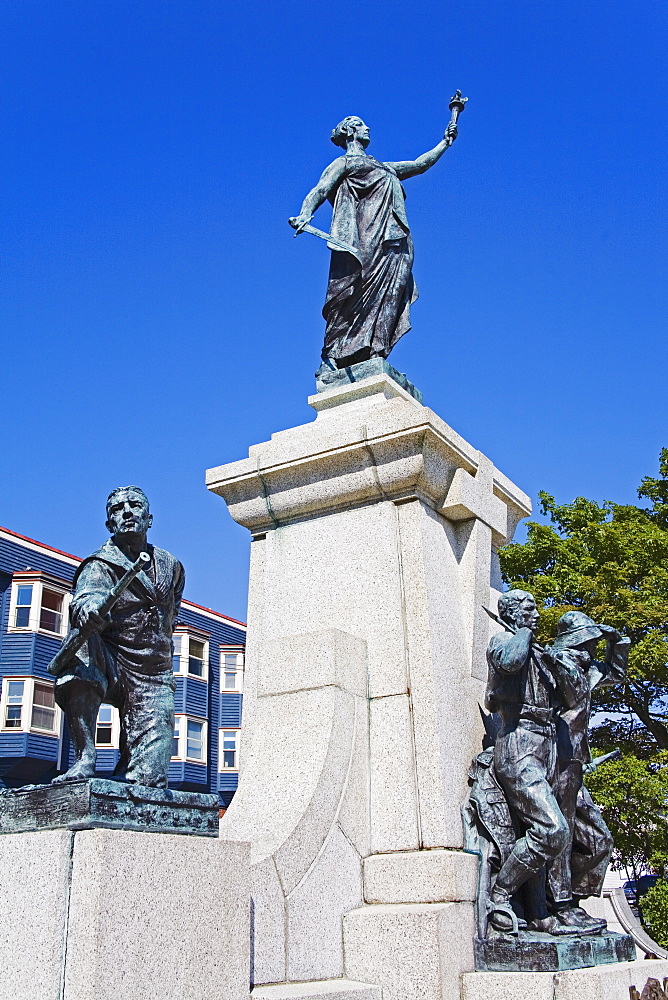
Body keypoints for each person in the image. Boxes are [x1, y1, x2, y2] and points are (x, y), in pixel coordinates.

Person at [289, 115, 458, 373]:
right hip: (364, 238)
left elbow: (418, 164)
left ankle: (374, 350)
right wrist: (305, 213)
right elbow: (321, 189)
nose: (368, 128)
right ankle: (334, 354)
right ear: (349, 132)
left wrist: (444, 143)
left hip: (394, 241)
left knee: (392, 291)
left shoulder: (384, 167)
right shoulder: (344, 163)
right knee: (355, 289)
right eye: (361, 124)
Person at [52, 486, 184, 787]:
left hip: (152, 672)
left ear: (149, 519)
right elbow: (85, 598)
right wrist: (88, 610)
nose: (126, 512)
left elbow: (172, 611)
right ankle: (86, 756)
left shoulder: (172, 566)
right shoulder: (99, 564)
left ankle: (128, 764)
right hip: (109, 657)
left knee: (149, 779)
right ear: (110, 524)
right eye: (116, 509)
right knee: (81, 646)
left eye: (134, 506)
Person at [484, 590, 586, 935]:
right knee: (551, 829)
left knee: (554, 831)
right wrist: (522, 631)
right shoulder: (504, 641)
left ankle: (541, 912)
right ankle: (500, 894)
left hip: (549, 745)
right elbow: (511, 662)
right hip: (519, 743)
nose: (537, 615)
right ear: (514, 613)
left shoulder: (539, 652)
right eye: (530, 609)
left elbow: (570, 699)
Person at [543, 611, 629, 929]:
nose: (591, 649)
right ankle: (560, 905)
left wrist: (618, 639)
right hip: (553, 760)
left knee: (598, 839)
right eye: (588, 642)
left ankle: (572, 900)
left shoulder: (589, 669)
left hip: (575, 762)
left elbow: (617, 673)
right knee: (562, 834)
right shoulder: (553, 665)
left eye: (593, 643)